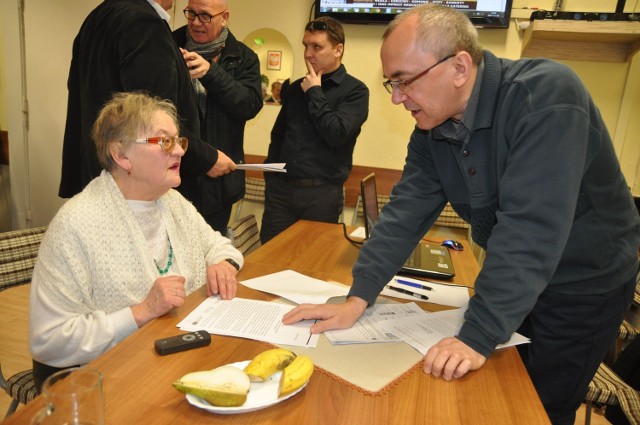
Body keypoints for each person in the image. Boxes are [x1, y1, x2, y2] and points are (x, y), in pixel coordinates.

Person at [282, 5, 640, 424]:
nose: (396, 97)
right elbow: (406, 211)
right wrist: (359, 296)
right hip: (520, 280)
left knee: (536, 406)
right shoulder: (433, 127)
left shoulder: (544, 95)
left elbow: (530, 231)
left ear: (459, 67)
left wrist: (478, 334)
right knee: (496, 390)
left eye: (404, 81)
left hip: (584, 285)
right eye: (390, 83)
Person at [30, 92, 243, 391]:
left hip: (172, 358)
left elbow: (217, 244)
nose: (181, 152)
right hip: (101, 379)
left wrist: (223, 263)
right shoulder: (77, 224)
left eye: (178, 141)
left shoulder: (172, 202)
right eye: (164, 141)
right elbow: (49, 341)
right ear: (122, 155)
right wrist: (141, 311)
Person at [58, 0, 236, 205]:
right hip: (133, 187)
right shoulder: (144, 23)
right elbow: (155, 122)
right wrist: (208, 159)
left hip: (98, 180)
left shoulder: (98, 17)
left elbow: (77, 89)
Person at [260, 16, 369, 244]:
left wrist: (315, 92)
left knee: (314, 264)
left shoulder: (356, 91)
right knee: (268, 259)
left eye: (316, 46)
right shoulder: (295, 87)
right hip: (281, 192)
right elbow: (278, 136)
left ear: (338, 49)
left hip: (321, 196)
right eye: (305, 46)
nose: (308, 53)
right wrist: (271, 179)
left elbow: (336, 134)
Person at [173, 0, 263, 233]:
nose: (195, 22)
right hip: (173, 178)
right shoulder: (168, 45)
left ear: (224, 18)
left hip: (218, 185)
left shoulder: (244, 57)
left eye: (205, 16)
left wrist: (211, 73)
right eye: (191, 13)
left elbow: (249, 105)